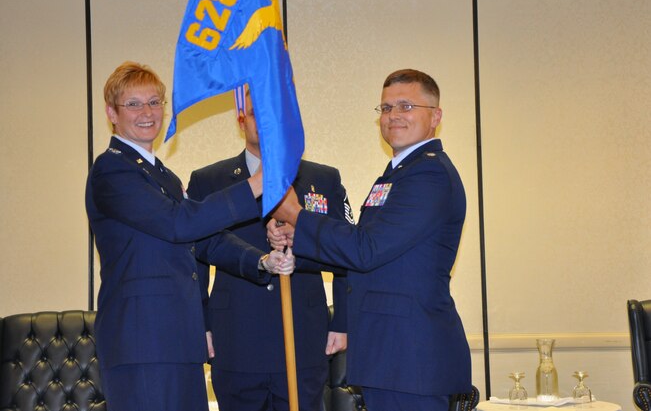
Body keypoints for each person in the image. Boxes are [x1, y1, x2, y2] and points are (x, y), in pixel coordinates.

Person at [85, 61, 293, 411]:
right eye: (133, 104)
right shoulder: (112, 169)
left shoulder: (160, 174)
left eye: (155, 102)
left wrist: (260, 260)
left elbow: (203, 238)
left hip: (177, 339)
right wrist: (256, 185)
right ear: (111, 113)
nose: (147, 112)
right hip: (143, 343)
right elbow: (179, 223)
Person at [268, 69, 471, 411]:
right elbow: (365, 250)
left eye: (406, 106)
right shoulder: (397, 173)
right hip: (389, 356)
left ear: (435, 116)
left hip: (411, 358)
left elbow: (367, 250)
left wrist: (298, 216)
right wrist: (297, 240)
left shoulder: (429, 174)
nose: (393, 116)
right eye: (386, 108)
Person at [187, 85, 352, 411]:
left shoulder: (323, 178)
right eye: (254, 114)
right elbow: (196, 260)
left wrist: (343, 322)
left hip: (304, 337)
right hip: (235, 337)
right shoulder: (209, 180)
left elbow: (347, 251)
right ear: (240, 120)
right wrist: (200, 324)